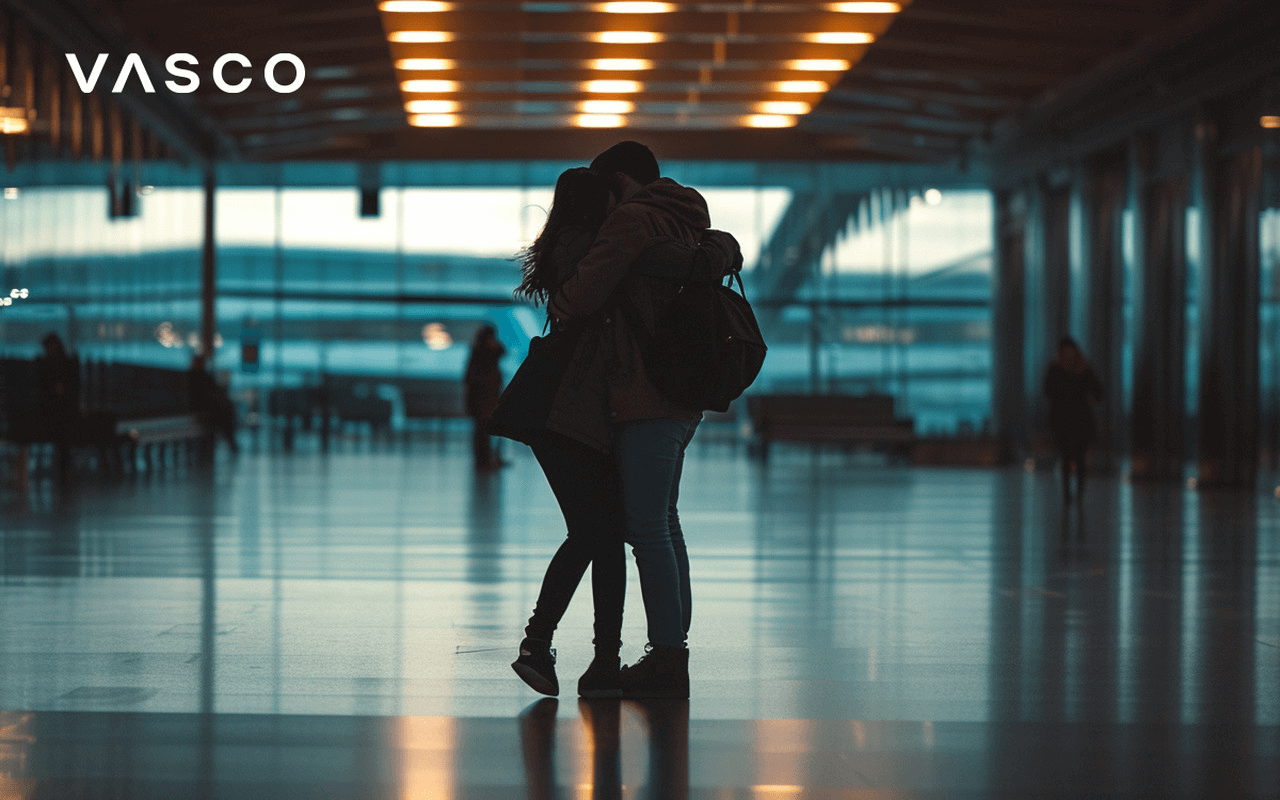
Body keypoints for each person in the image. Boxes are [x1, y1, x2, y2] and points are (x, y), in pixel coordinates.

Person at [548, 141, 713, 699]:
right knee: (664, 521)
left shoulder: (632, 221)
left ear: (619, 180)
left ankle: (668, 658)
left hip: (644, 393)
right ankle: (673, 645)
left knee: (644, 528)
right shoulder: (687, 218)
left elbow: (582, 294)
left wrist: (562, 293)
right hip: (684, 392)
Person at [508, 167, 627, 697]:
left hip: (561, 410)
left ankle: (569, 652)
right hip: (571, 410)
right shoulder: (590, 249)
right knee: (598, 534)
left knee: (596, 533)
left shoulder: (565, 246)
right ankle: (568, 651)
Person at [1043, 336, 1104, 504]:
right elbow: (1047, 391)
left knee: (1079, 458)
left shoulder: (1081, 369)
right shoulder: (1059, 369)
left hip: (1077, 419)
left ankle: (1078, 492)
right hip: (1064, 419)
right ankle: (1067, 493)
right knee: (1066, 457)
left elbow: (1098, 391)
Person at [35, 333, 81, 483]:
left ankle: (63, 468)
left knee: (61, 428)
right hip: (62, 411)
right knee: (62, 431)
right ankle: (63, 468)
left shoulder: (50, 365)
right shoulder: (65, 364)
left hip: (58, 412)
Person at [464, 325, 506, 469]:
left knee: (483, 430)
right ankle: (484, 460)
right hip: (483, 399)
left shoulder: (480, 353)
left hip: (485, 399)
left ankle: (486, 459)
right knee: (482, 431)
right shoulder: (482, 355)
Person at [188, 354, 239, 455]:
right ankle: (230, 441)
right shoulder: (201, 376)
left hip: (208, 408)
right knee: (225, 415)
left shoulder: (196, 376)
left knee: (224, 414)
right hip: (207, 408)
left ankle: (230, 441)